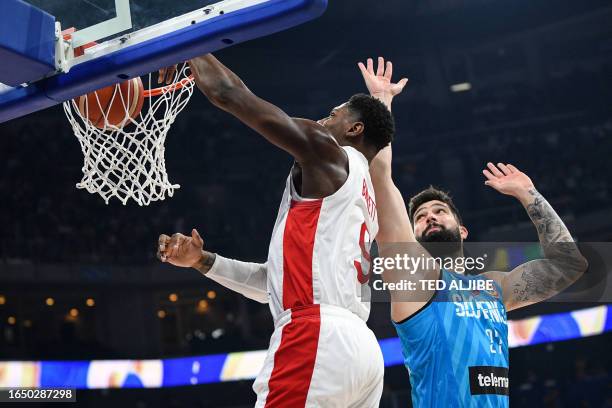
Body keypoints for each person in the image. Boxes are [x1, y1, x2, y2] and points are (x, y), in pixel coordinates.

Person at [156, 54, 405, 407]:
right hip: (362, 352)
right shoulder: (366, 199)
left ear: (354, 129)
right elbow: (275, 286)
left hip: (316, 336)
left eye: (333, 115)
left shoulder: (329, 155)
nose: (322, 119)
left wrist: (188, 48)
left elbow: (229, 93)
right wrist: (203, 261)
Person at [365, 58, 589, 406]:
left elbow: (569, 265)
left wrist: (529, 194)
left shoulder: (493, 287)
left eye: (439, 211)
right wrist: (382, 103)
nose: (431, 217)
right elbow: (381, 181)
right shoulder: (415, 280)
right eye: (421, 216)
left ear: (463, 231)